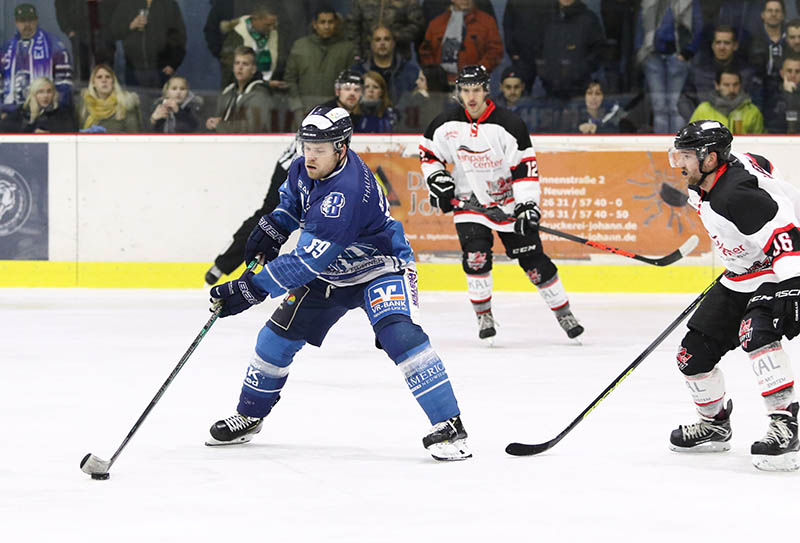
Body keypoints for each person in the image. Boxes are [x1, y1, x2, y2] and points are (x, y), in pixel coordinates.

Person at [205, 105, 472, 461]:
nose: (310, 155)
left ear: (341, 147)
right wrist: (274, 227)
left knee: (400, 336)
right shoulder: (303, 167)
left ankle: (450, 426)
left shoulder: (346, 191)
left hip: (379, 268)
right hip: (329, 275)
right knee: (273, 341)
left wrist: (250, 288)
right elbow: (291, 204)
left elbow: (305, 262)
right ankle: (250, 415)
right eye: (307, 146)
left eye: (320, 148)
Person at [666, 120, 799, 471]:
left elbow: (786, 236)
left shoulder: (735, 194)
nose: (679, 163)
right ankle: (714, 425)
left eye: (686, 156)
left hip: (780, 267)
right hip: (744, 274)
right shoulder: (710, 179)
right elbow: (763, 164)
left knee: (756, 335)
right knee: (691, 356)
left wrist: (793, 284)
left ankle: (785, 424)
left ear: (710, 158)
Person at [419, 65, 584, 343]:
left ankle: (564, 313)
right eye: (466, 90)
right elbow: (428, 153)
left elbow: (524, 168)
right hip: (470, 205)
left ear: (486, 90)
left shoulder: (509, 124)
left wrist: (527, 205)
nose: (471, 97)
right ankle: (483, 316)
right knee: (476, 257)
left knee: (535, 264)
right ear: (459, 92)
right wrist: (436, 178)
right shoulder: (445, 124)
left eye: (476, 90)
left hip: (508, 205)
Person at [204, 69, 365, 285]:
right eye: (347, 88)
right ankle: (223, 264)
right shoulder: (323, 112)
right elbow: (304, 149)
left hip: (321, 173)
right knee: (270, 213)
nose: (351, 93)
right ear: (338, 90)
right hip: (293, 168)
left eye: (356, 89)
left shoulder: (361, 116)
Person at [635, 0, 703, 133]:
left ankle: (676, 145)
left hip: (678, 56)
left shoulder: (688, 2)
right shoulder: (648, 2)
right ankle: (661, 147)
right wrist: (641, 52)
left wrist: (688, 52)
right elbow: (640, 26)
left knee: (675, 106)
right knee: (659, 107)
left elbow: (698, 26)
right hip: (653, 56)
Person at [284, 7, 356, 127]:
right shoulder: (300, 46)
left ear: (336, 24)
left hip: (335, 111)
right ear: (315, 24)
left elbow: (350, 82)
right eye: (322, 22)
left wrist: (342, 109)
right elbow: (290, 79)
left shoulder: (347, 48)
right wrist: (297, 107)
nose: (327, 26)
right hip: (303, 109)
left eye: (330, 22)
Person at [1, 3, 73, 118]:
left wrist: (52, 111)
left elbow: (64, 85)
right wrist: (2, 109)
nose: (27, 25)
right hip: (12, 114)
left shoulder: (54, 46)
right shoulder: (6, 49)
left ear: (36, 20)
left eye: (30, 20)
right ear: (16, 23)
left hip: (47, 114)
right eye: (22, 21)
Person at [419, 0, 503, 84]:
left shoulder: (487, 22)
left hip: (474, 84)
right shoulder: (436, 24)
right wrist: (434, 74)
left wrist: (476, 72)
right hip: (441, 84)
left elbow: (495, 52)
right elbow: (426, 52)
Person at [109, 0, 187, 89]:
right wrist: (131, 25)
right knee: (135, 101)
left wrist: (174, 63)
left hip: (161, 69)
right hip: (133, 69)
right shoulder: (127, 3)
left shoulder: (169, 4)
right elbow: (114, 31)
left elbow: (179, 36)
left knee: (160, 102)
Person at [206, 46, 274, 133]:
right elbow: (219, 119)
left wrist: (220, 125)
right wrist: (212, 123)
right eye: (237, 63)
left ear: (253, 69)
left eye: (245, 64)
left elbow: (253, 128)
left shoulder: (261, 94)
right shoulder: (228, 91)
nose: (240, 67)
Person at [351, 25, 419, 105]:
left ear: (393, 43)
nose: (382, 43)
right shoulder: (358, 71)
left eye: (386, 39)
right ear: (371, 44)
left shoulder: (410, 71)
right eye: (378, 40)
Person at [55, 0, 120, 83]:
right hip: (79, 31)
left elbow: (119, 5)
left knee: (105, 73)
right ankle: (82, 93)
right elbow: (60, 4)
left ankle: (105, 94)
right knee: (82, 73)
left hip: (104, 30)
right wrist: (68, 30)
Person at [219, 3, 281, 89]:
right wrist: (264, 83)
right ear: (255, 19)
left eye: (274, 25)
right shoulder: (237, 35)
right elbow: (233, 71)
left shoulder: (274, 34)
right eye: (267, 25)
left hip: (268, 88)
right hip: (241, 90)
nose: (271, 28)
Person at [688, 68, 765, 134]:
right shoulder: (702, 110)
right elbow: (691, 136)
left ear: (740, 85)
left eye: (735, 84)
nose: (731, 89)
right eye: (726, 85)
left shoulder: (752, 111)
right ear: (717, 86)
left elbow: (761, 142)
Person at [346, 0, 425, 61]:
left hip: (399, 56)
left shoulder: (408, 1)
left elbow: (417, 25)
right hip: (367, 57)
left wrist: (393, 36)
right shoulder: (360, 1)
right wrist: (357, 54)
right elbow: (352, 27)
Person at [76, 64, 143, 133]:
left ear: (113, 83)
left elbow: (134, 135)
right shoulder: (84, 106)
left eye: (108, 77)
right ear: (93, 83)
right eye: (99, 77)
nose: (104, 80)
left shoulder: (125, 104)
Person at [0, 76, 76, 133]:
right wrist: (31, 123)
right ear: (33, 94)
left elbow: (71, 132)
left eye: (49, 91)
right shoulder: (23, 112)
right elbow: (4, 130)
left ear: (53, 94)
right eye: (40, 92)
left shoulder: (63, 112)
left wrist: (50, 133)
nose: (45, 96)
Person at [395, 64, 451, 133]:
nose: (416, 82)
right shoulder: (411, 99)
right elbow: (402, 128)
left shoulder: (448, 104)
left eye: (421, 79)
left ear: (432, 82)